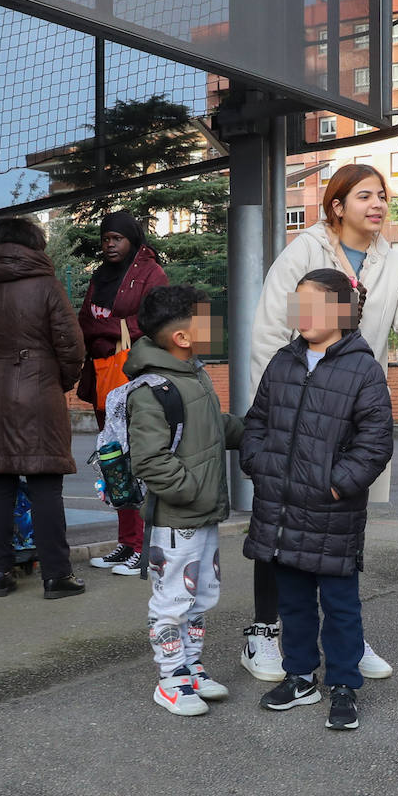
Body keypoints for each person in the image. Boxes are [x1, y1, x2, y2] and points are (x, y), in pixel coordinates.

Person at [240, 163, 398, 682]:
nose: (377, 205)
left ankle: (345, 639)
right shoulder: (303, 253)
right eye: (363, 196)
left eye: (382, 196)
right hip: (292, 416)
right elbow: (269, 336)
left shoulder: (394, 262)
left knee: (341, 531)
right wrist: (274, 427)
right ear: (336, 205)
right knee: (279, 527)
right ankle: (264, 632)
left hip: (346, 417)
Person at [241, 268, 394, 731]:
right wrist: (262, 467)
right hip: (282, 508)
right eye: (298, 305)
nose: (302, 315)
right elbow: (257, 425)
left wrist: (337, 483)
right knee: (294, 603)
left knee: (341, 604)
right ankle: (300, 675)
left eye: (315, 305)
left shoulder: (363, 369)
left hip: (332, 512)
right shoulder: (283, 363)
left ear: (343, 312)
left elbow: (375, 443)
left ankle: (344, 683)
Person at [125, 285, 245, 716]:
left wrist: (252, 431)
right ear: (182, 336)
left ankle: (190, 667)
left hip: (202, 513)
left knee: (200, 596)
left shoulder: (194, 375)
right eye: (208, 321)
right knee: (173, 599)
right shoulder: (152, 390)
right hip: (177, 518)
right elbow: (150, 461)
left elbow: (214, 427)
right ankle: (170, 677)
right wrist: (192, 490)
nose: (218, 329)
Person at [0, 217, 88, 599]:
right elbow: (72, 346)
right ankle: (56, 575)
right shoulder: (47, 286)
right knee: (46, 486)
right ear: (32, 244)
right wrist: (57, 381)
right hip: (39, 391)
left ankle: (0, 572)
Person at [78, 211, 169, 577]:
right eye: (105, 239)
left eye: (117, 238)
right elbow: (84, 321)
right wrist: (112, 328)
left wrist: (112, 327)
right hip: (104, 377)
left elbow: (155, 317)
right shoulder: (100, 276)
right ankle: (126, 542)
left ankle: (143, 548)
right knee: (114, 460)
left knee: (138, 461)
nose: (110, 245)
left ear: (133, 238)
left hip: (136, 377)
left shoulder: (151, 273)